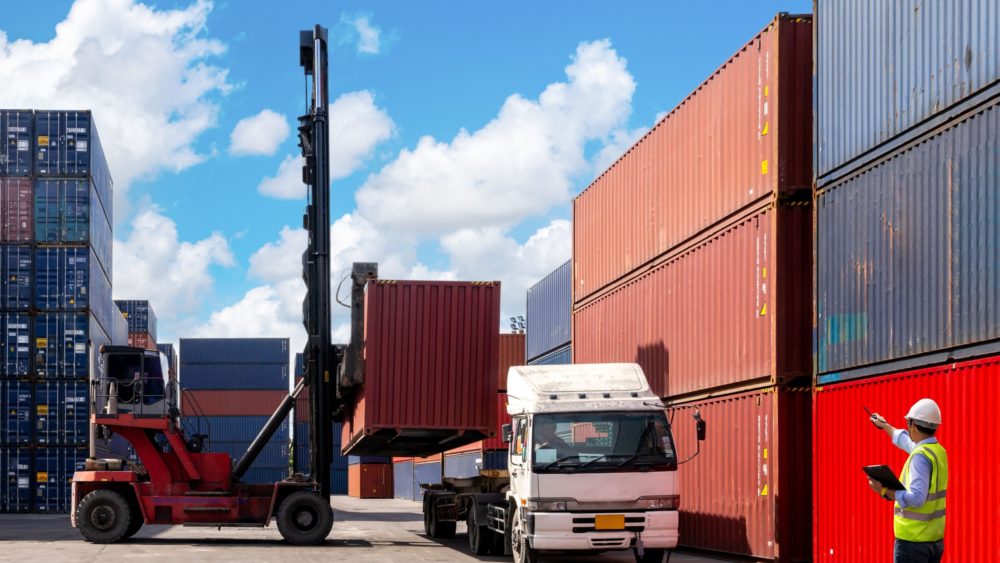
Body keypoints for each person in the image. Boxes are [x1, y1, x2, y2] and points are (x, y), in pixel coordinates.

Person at [868, 398, 948, 563]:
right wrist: (885, 426)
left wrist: (884, 490)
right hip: (933, 540)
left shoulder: (920, 456)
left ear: (912, 425)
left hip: (913, 541)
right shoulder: (936, 451)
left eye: (908, 423)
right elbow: (907, 442)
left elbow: (917, 498)